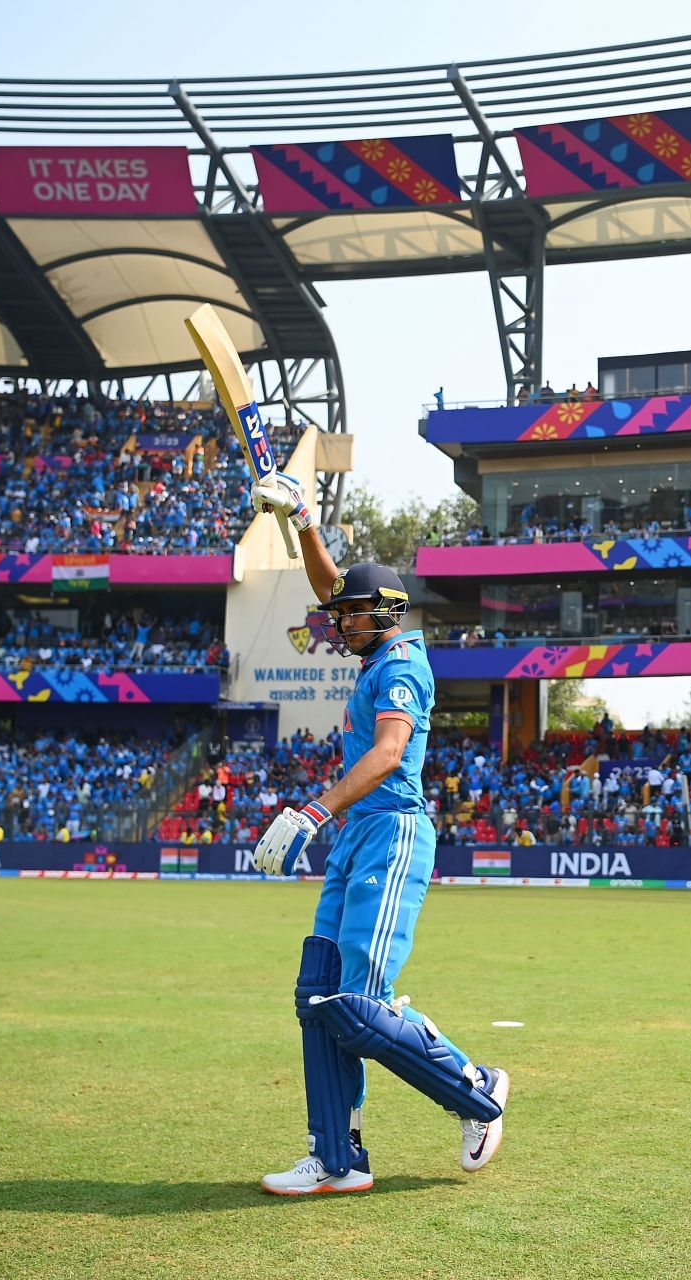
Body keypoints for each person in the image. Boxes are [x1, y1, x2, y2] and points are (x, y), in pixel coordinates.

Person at [248, 469, 509, 1196]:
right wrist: (303, 517)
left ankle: (479, 1091)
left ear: (384, 615)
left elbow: (389, 753)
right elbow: (335, 585)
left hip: (391, 833)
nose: (337, 620)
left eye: (351, 614)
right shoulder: (374, 646)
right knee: (319, 994)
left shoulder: (402, 664)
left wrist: (311, 811)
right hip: (357, 839)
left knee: (359, 1004)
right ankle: (337, 1159)